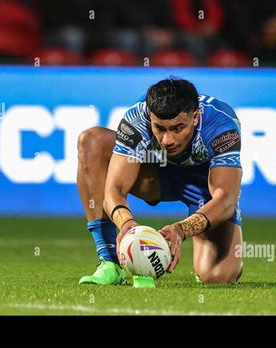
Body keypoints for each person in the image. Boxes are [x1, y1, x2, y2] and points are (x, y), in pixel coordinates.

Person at [77, 77, 243, 288]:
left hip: (204, 186)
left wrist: (181, 230)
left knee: (217, 276)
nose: (167, 140)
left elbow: (226, 199)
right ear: (150, 117)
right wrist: (126, 224)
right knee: (92, 141)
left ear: (196, 116)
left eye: (177, 128)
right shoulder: (137, 117)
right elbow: (114, 189)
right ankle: (110, 263)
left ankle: (208, 254)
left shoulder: (221, 124)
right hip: (155, 174)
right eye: (160, 128)